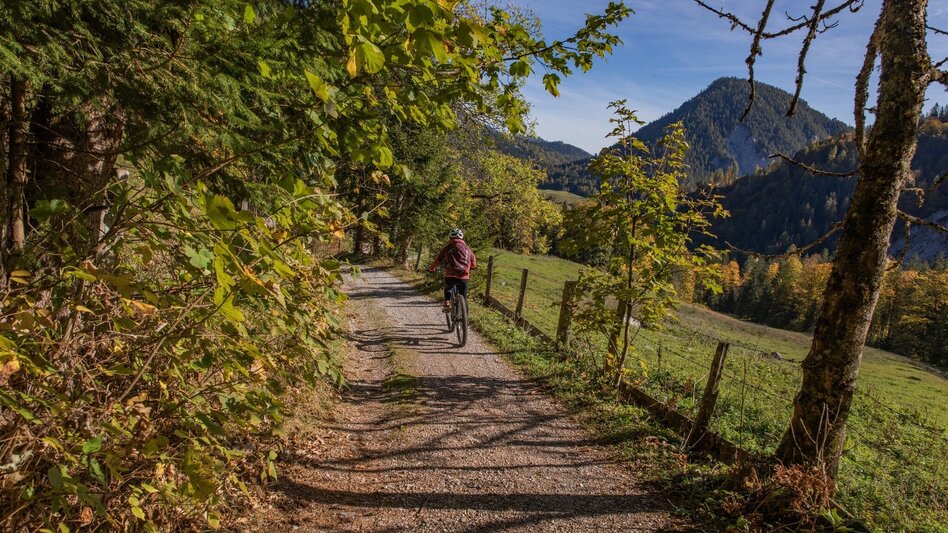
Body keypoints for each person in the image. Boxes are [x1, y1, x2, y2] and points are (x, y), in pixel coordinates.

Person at [428, 228, 477, 312]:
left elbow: (438, 260)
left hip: (450, 274)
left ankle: (447, 302)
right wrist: (470, 268)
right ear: (462, 238)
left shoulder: (447, 248)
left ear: (450, 237)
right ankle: (466, 321)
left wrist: (431, 269)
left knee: (448, 288)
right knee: (464, 298)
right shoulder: (467, 249)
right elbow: (473, 263)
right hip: (464, 276)